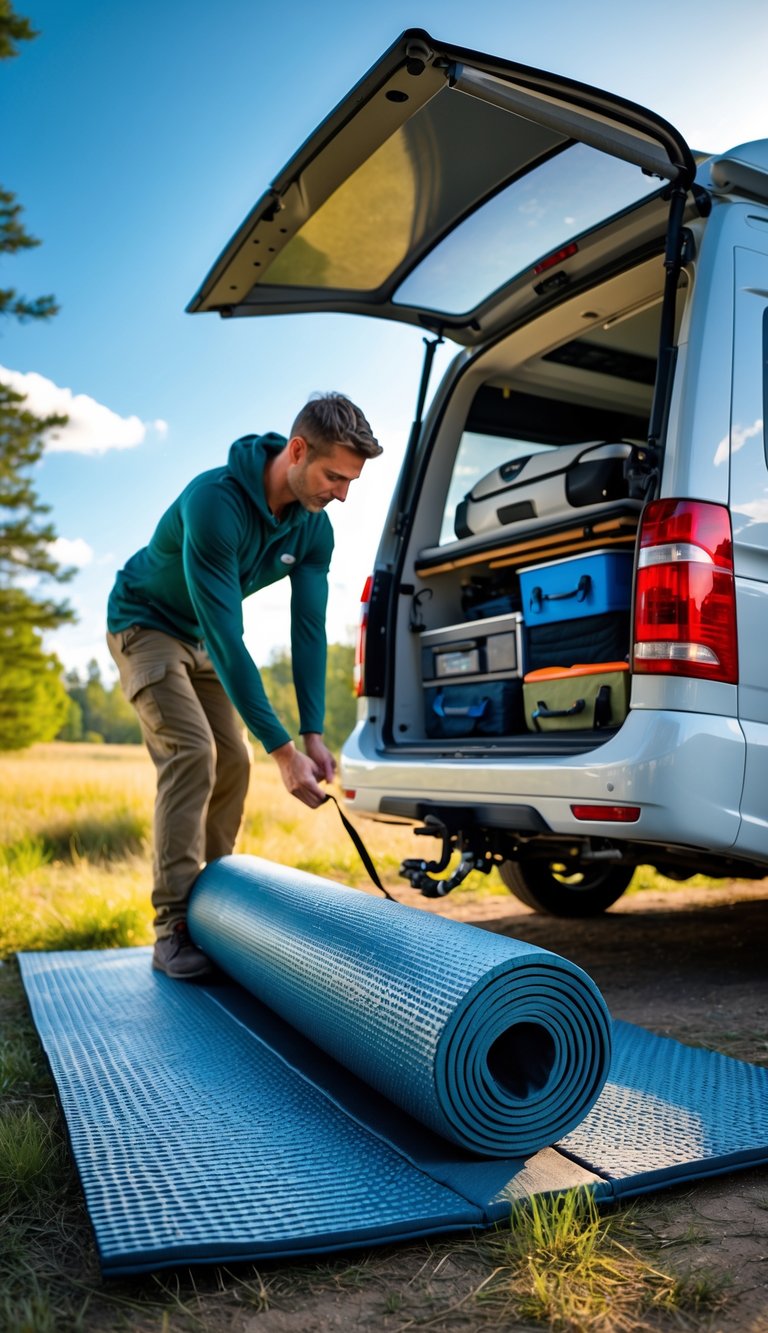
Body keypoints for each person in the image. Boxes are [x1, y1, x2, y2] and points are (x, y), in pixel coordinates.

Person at [107, 392, 381, 980]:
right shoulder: (215, 503)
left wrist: (309, 734)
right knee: (193, 754)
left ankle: (214, 906)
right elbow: (229, 638)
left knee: (233, 759)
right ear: (298, 451)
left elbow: (307, 632)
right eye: (335, 476)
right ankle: (174, 926)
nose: (341, 493)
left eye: (351, 481)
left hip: (201, 639)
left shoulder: (314, 530)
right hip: (145, 622)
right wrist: (281, 751)